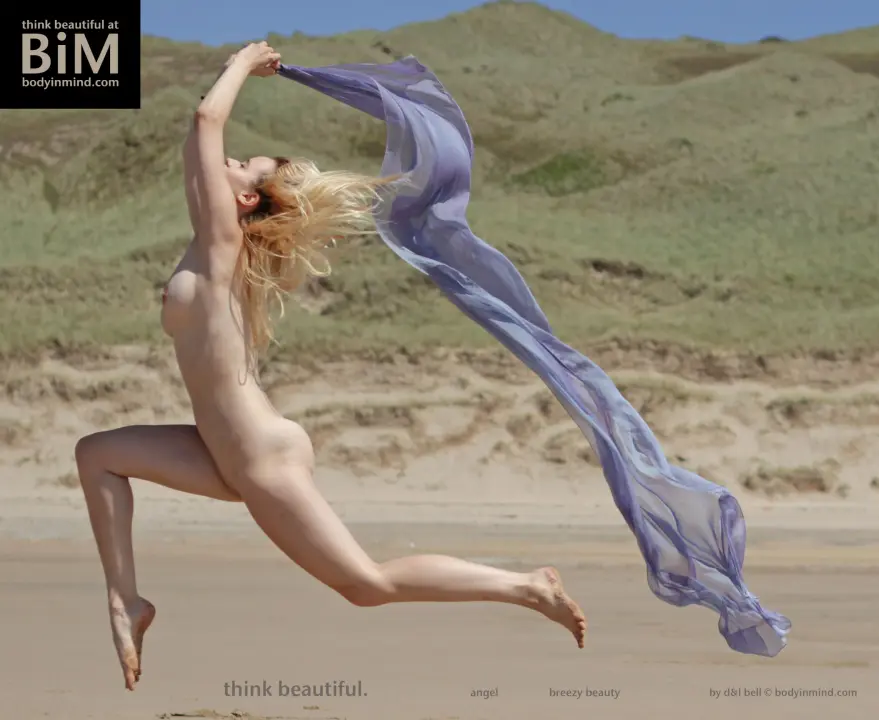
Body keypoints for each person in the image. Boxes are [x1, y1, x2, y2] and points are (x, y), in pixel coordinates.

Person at [73, 41, 586, 692]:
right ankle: (126, 602)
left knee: (366, 584)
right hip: (221, 450)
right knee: (97, 454)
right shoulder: (211, 244)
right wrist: (231, 84)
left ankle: (525, 586)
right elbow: (196, 140)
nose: (226, 161)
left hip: (259, 455)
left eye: (242, 165)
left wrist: (243, 63)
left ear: (248, 200)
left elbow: (206, 122)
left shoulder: (222, 246)